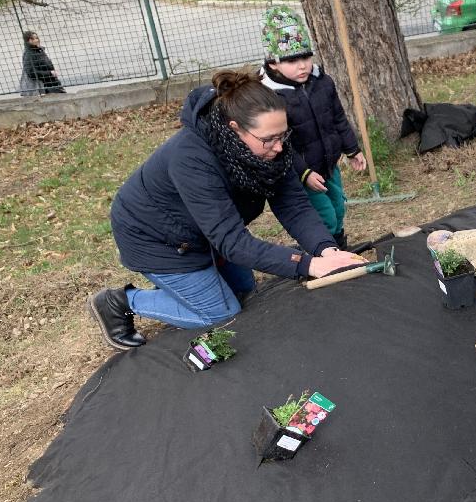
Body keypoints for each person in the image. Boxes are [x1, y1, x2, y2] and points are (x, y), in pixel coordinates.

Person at [89, 71, 365, 351]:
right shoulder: (193, 159)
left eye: (284, 135)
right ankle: (120, 301)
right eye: (269, 139)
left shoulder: (269, 147)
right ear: (235, 128)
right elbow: (232, 242)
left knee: (245, 291)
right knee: (221, 313)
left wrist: (326, 250)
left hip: (204, 229)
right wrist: (309, 265)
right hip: (157, 238)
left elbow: (293, 204)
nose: (280, 147)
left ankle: (193, 286)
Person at [258, 5, 367, 250]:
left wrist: (352, 149)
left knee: (338, 207)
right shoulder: (271, 98)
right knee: (324, 216)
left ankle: (340, 247)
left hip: (329, 165)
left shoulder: (322, 82)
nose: (302, 65)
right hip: (302, 172)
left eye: (306, 57)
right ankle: (323, 254)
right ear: (273, 63)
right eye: (292, 60)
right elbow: (280, 144)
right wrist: (303, 173)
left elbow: (338, 117)